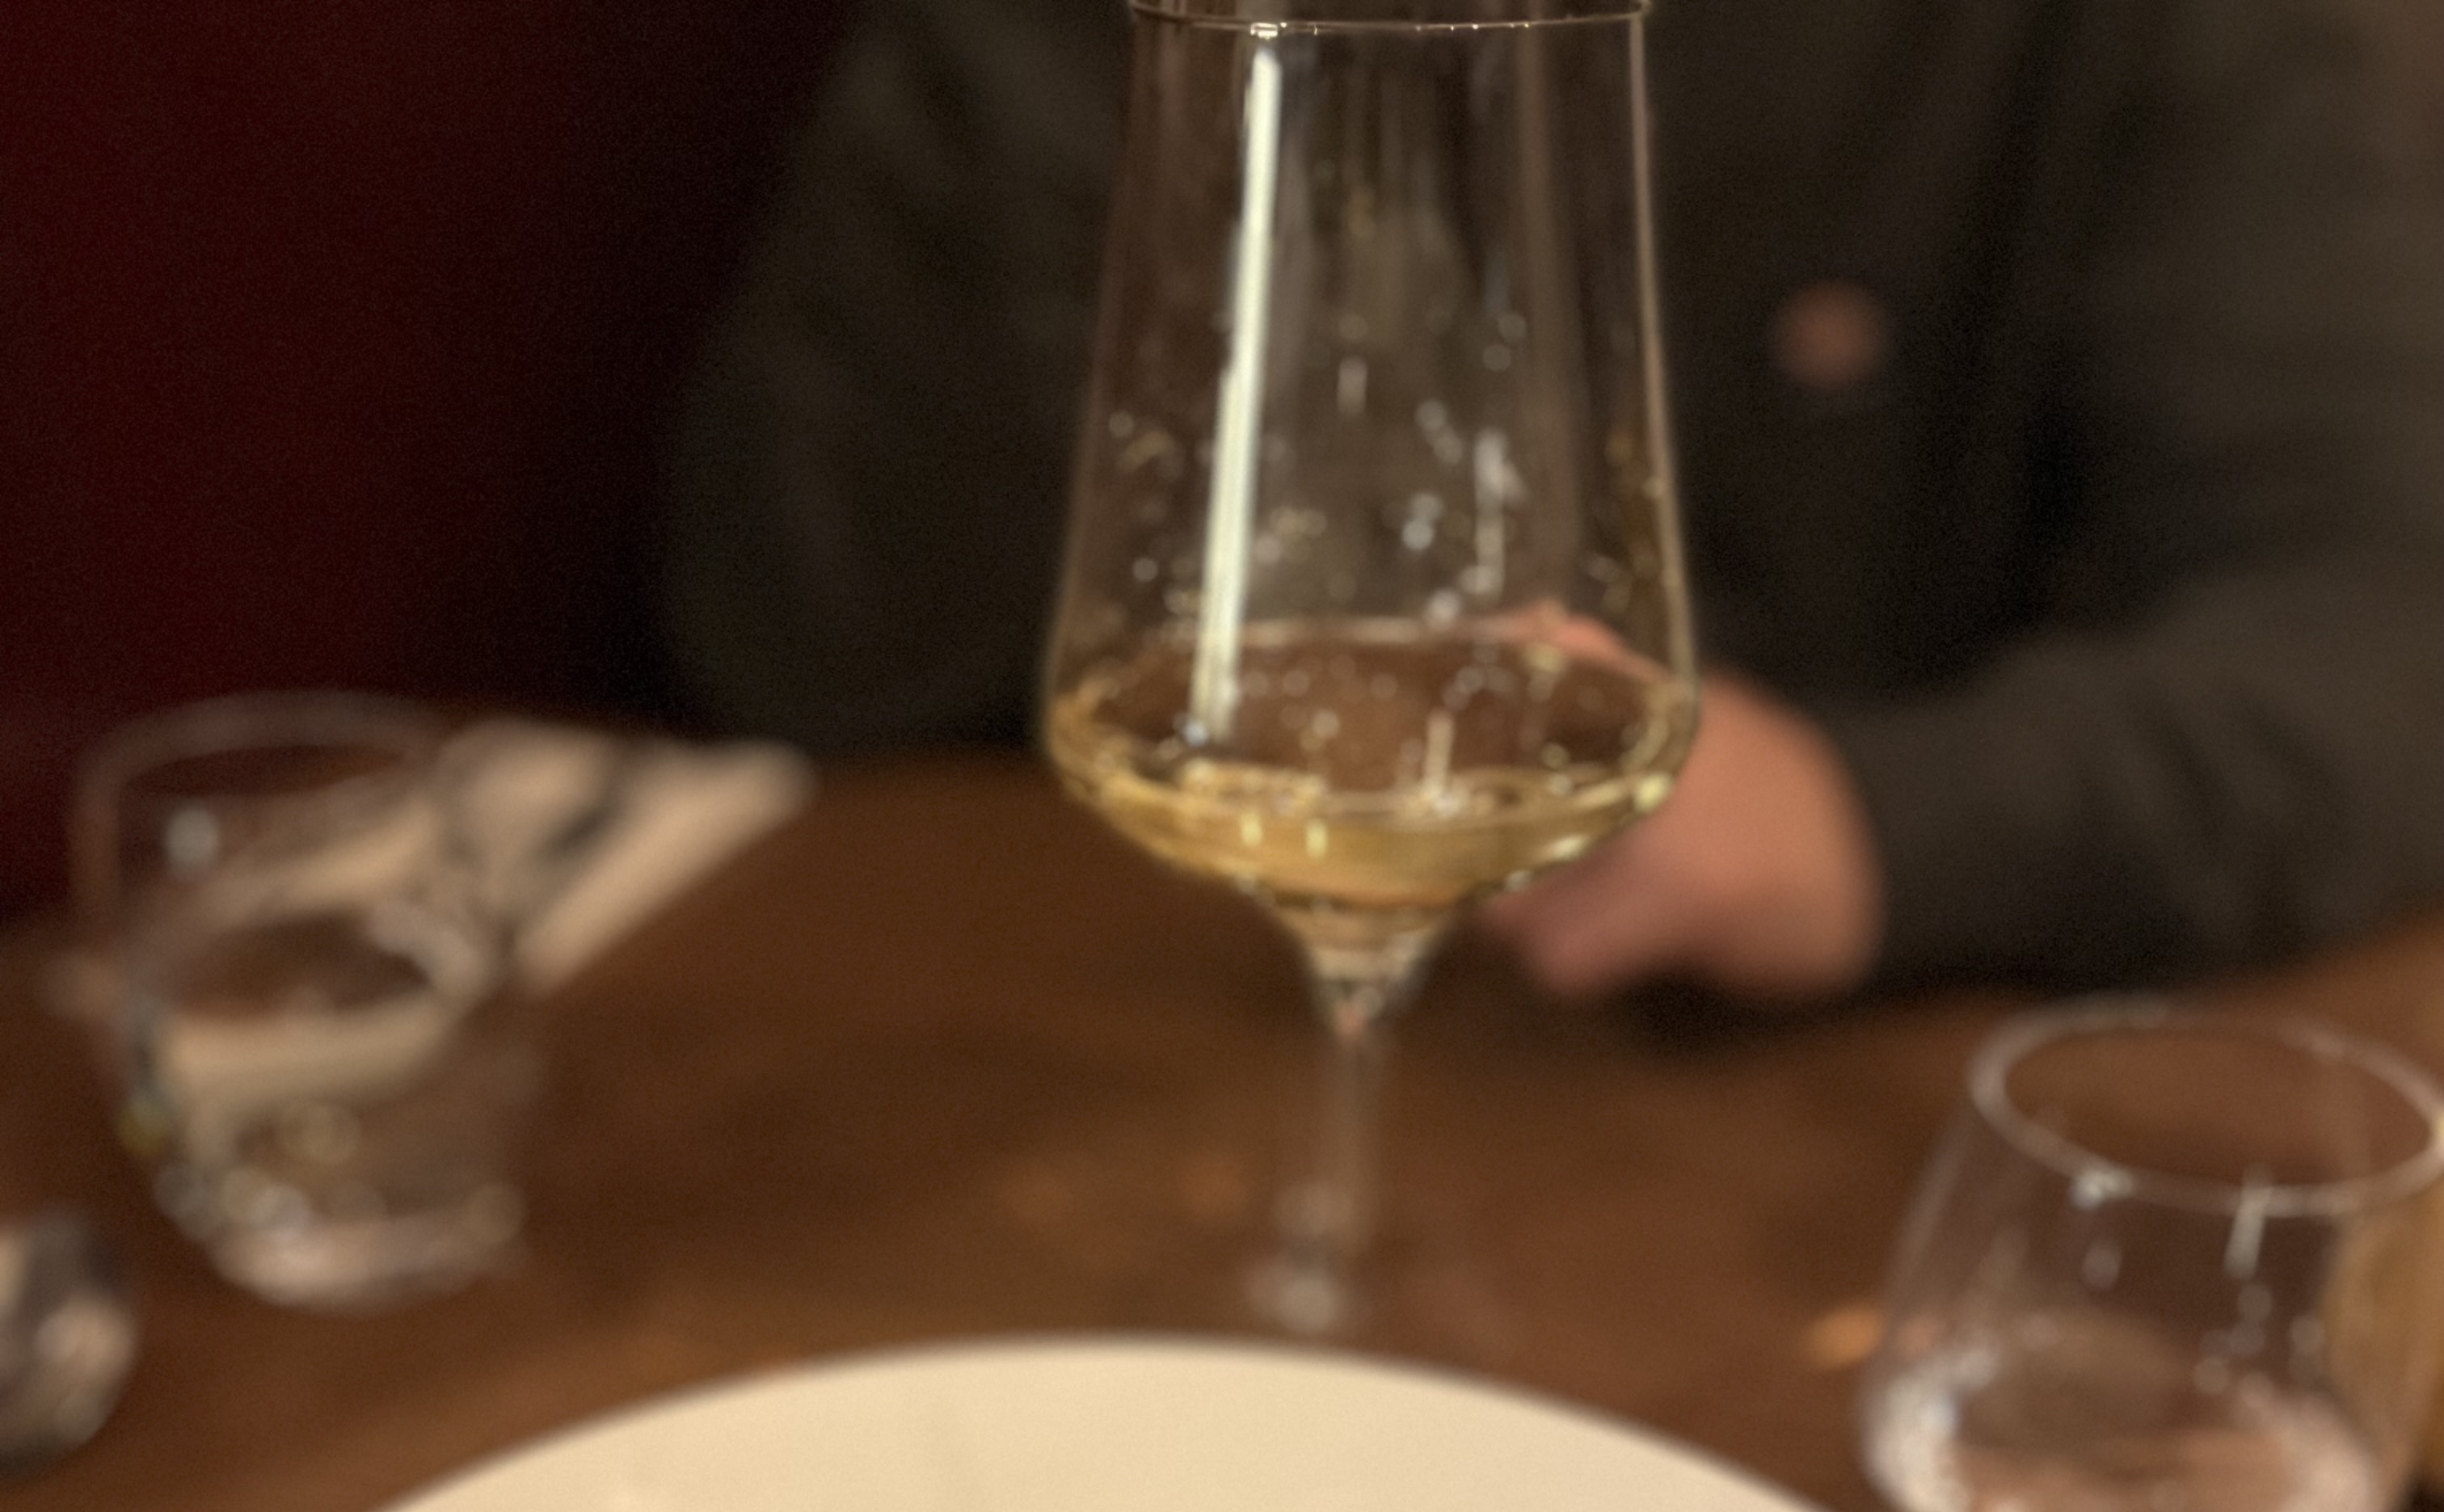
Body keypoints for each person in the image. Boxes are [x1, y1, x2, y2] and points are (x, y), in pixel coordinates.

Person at [667, 0, 2444, 1003]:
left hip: (1750, 1116)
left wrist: (1881, 825)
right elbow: (802, 631)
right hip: (1102, 1018)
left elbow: (2393, 637)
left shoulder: (2149, 45)